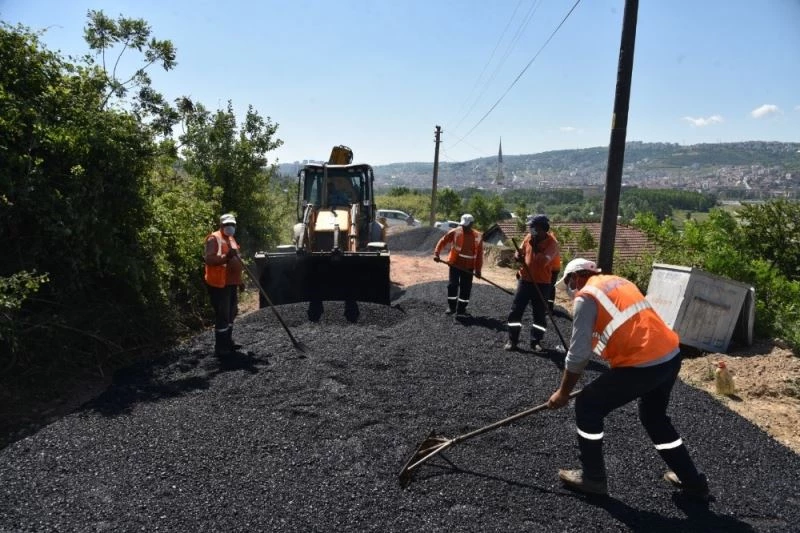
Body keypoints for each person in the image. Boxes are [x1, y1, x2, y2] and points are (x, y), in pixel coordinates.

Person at [547, 258, 711, 501]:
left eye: (570, 282)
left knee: (587, 406)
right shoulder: (618, 282)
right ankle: (691, 480)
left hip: (643, 364)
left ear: (578, 276)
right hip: (669, 356)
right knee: (654, 419)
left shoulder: (587, 296)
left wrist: (562, 393)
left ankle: (593, 478)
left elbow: (578, 354)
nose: (571, 290)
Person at [504, 214, 559, 352]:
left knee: (539, 313)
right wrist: (518, 256)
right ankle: (513, 340)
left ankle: (536, 341)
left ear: (543, 228)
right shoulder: (529, 238)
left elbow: (543, 262)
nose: (531, 229)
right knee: (516, 310)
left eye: (534, 227)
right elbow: (520, 251)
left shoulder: (552, 244)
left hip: (542, 283)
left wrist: (536, 248)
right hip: (525, 280)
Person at [204, 213, 244, 358]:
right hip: (219, 284)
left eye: (232, 224)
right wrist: (226, 257)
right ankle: (221, 347)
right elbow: (209, 259)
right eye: (227, 225)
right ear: (221, 225)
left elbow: (238, 261)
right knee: (223, 315)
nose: (230, 227)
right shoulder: (214, 238)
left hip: (232, 283)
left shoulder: (232, 239)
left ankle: (228, 341)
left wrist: (240, 281)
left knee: (232, 313)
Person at [433, 213, 483, 317]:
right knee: (452, 285)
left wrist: (478, 270)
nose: (464, 227)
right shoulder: (455, 232)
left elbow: (479, 255)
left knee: (466, 288)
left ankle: (461, 310)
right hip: (455, 264)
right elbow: (443, 241)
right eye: (463, 225)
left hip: (469, 267)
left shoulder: (478, 236)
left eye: (467, 225)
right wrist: (436, 253)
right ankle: (451, 307)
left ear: (472, 224)